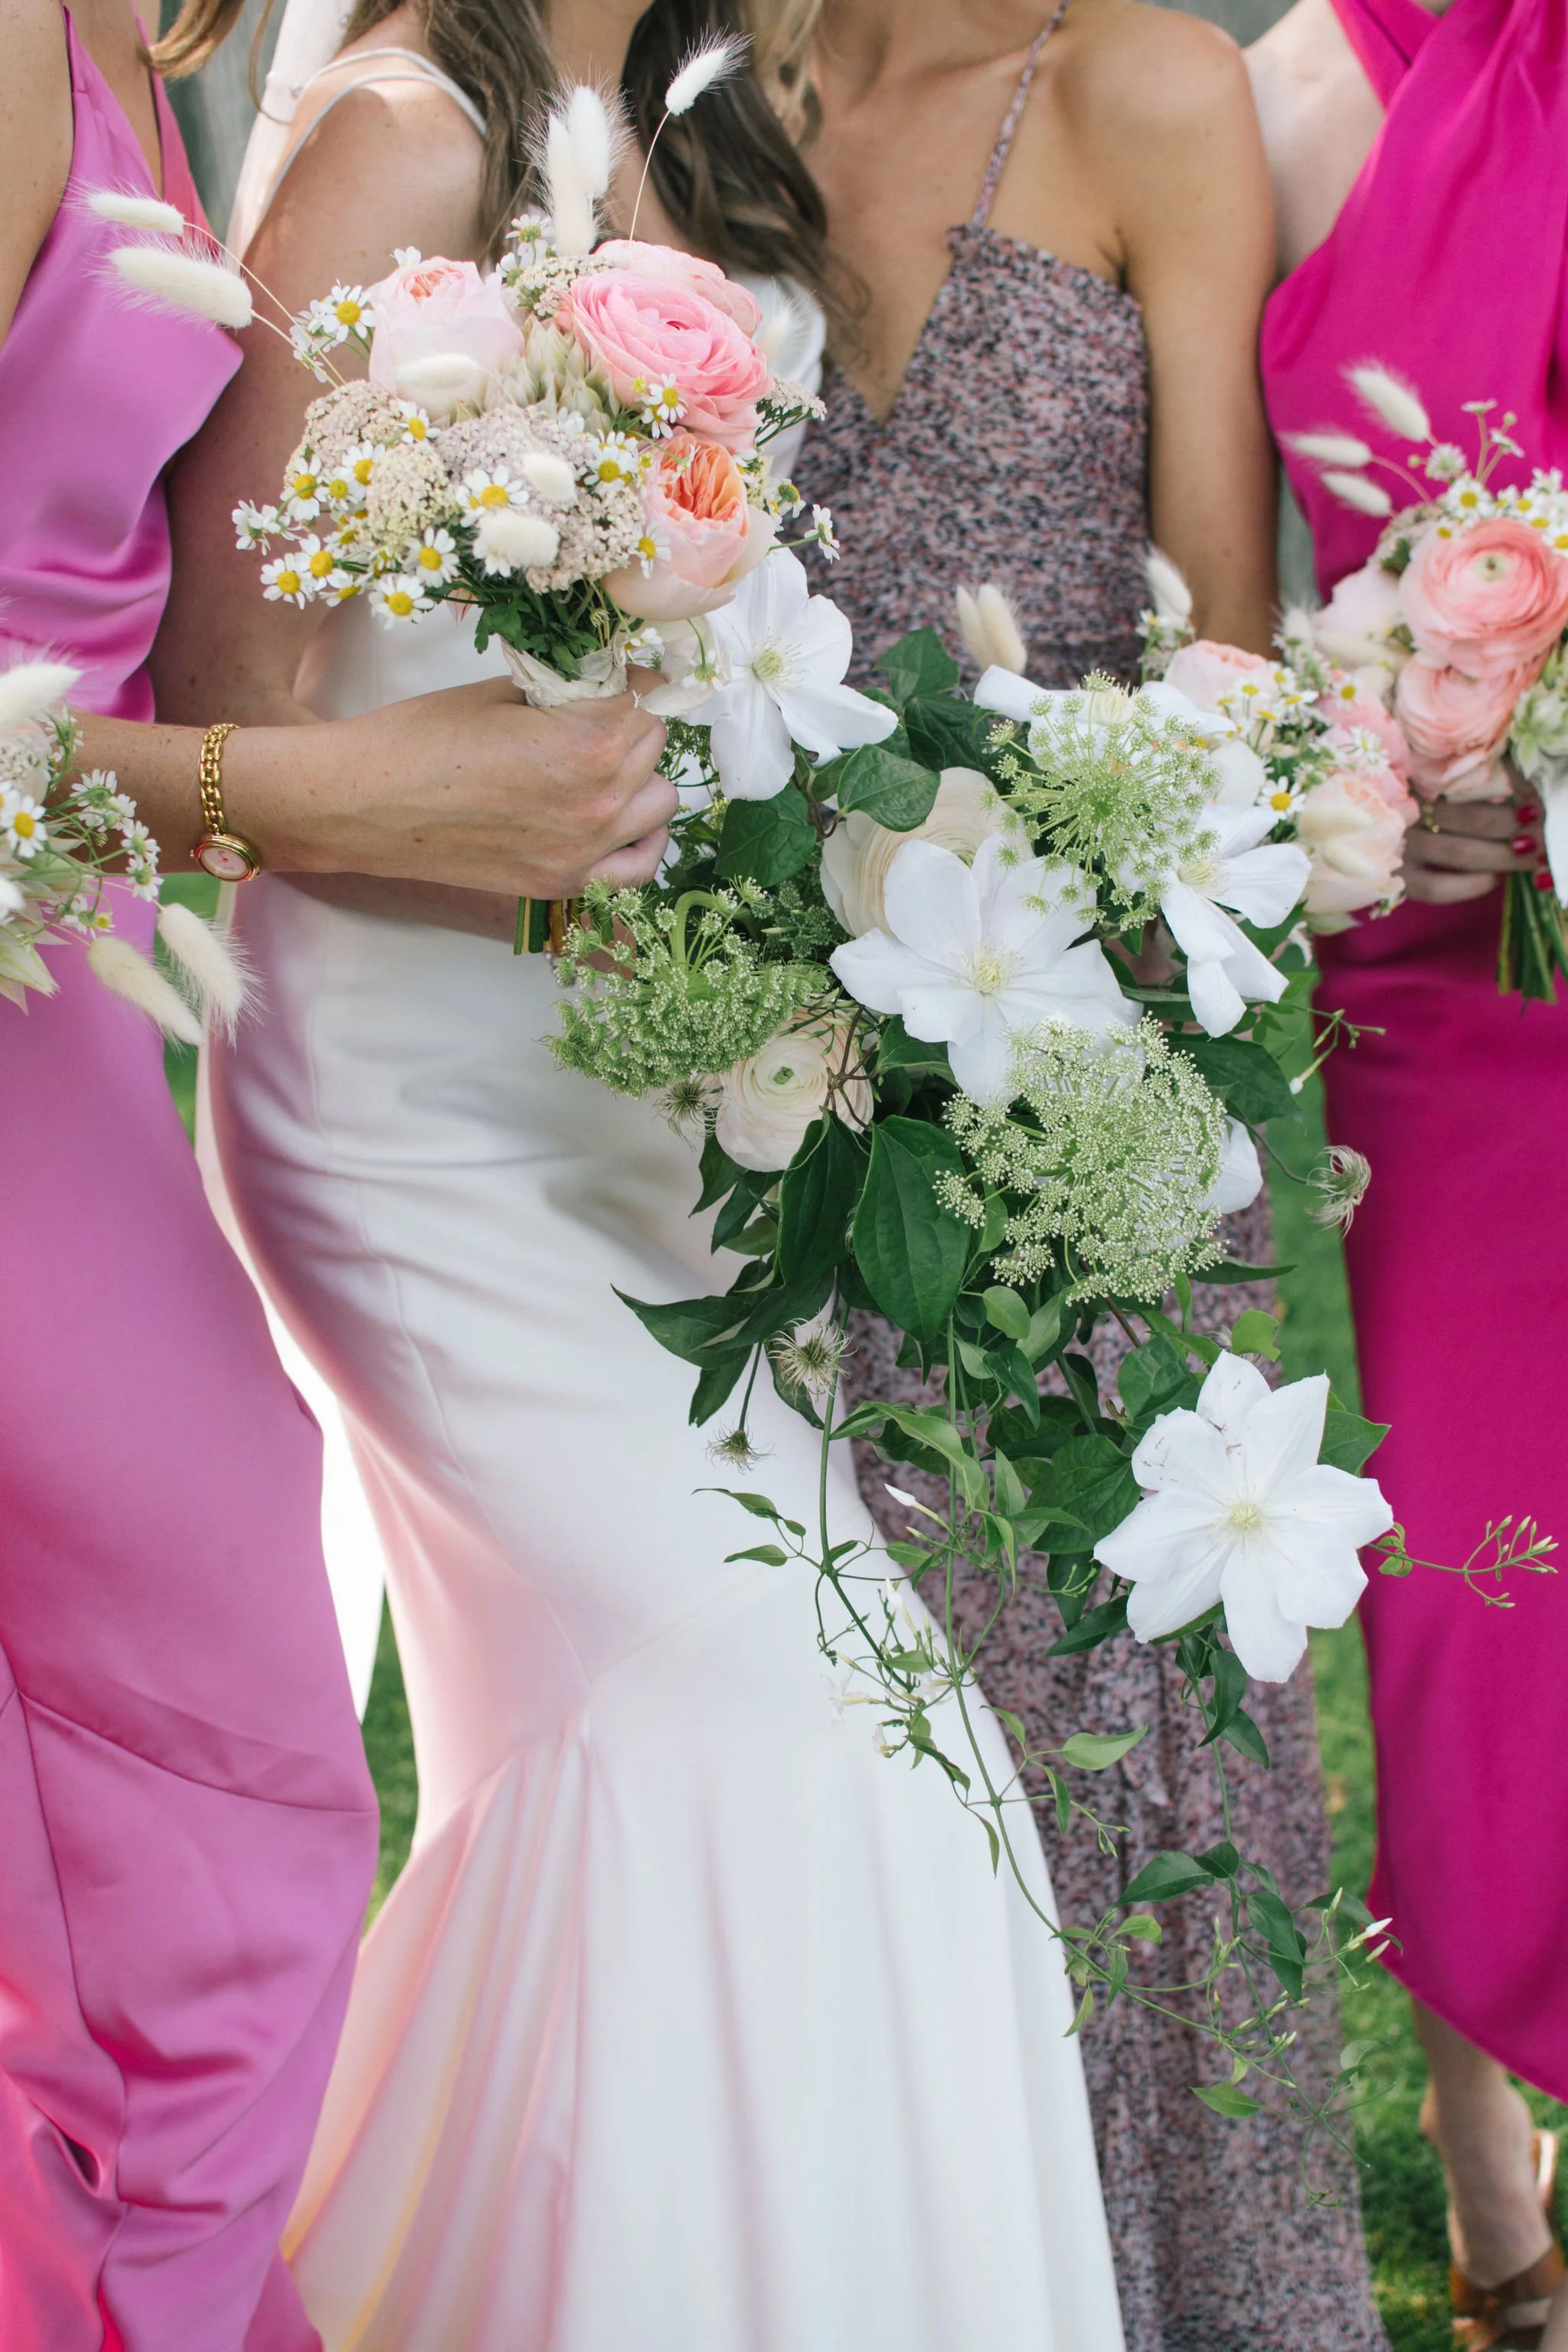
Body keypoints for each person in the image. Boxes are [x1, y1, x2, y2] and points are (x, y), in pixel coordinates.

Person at [163, 0, 1126, 2344]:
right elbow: (219, 691)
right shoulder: (404, 139)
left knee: (710, 1759)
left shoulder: (736, 136)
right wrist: (510, 843)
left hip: (662, 1084)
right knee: (803, 1738)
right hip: (417, 1098)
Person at [0, 0, 672, 2342]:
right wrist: (373, 805)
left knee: (191, 1831)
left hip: (67, 1011)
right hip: (26, 1060)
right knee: (218, 1837)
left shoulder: (117, 46)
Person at [797, 5, 1389, 2347]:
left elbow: (1220, 638)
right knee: (855, 1778)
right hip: (760, 1091)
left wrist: (1066, 929)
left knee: (1124, 1777)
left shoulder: (1146, 82)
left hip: (1076, 1065)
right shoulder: (707, 88)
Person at [1250, 1, 1568, 2344]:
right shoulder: (1286, 97)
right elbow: (1165, 584)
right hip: (1469, 984)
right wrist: (1353, 757)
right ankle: (1490, 2169)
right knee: (1482, 1594)